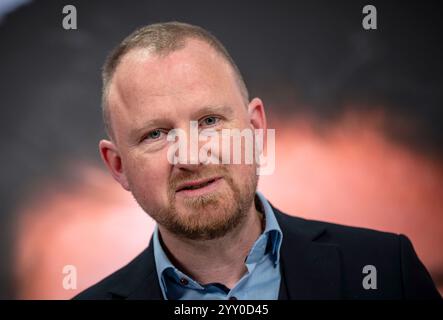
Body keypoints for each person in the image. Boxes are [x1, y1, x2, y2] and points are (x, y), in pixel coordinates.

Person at [74, 22, 440, 300]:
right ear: (118, 165)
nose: (190, 155)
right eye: (155, 134)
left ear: (255, 128)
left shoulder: (389, 271)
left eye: (210, 121)